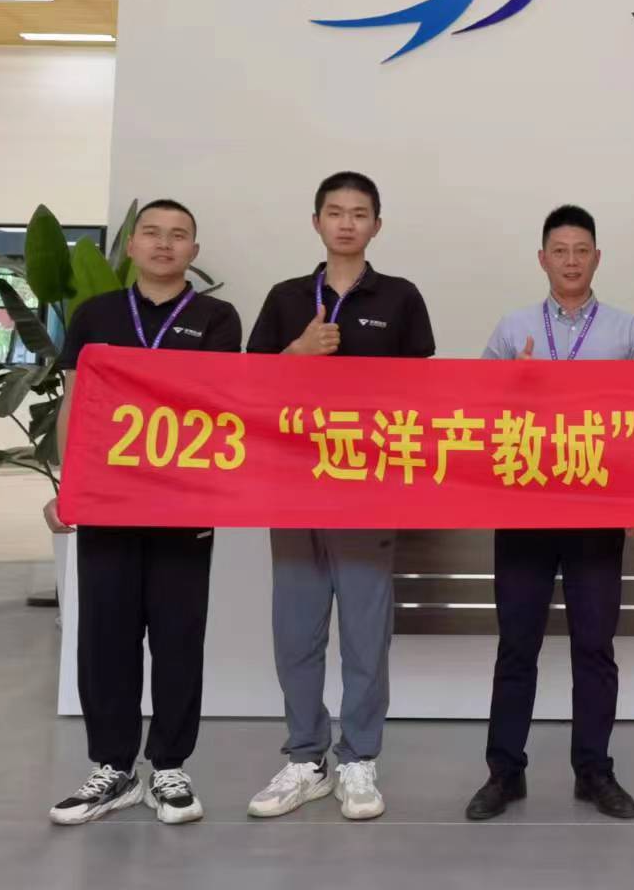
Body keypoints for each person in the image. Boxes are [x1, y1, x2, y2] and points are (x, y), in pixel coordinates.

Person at [244, 171, 436, 822]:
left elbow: (424, 395)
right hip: (294, 487)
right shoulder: (285, 297)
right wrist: (297, 352)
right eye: (335, 212)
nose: (347, 223)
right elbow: (245, 388)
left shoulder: (401, 297)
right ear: (317, 222)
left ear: (376, 225)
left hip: (367, 490)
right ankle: (306, 758)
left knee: (364, 634)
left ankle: (358, 759)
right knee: (296, 632)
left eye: (359, 213)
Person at [46, 199, 243, 826]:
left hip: (184, 502)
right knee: (106, 635)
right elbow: (75, 402)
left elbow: (218, 406)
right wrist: (71, 487)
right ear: (131, 245)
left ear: (193, 251)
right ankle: (113, 767)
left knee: (179, 636)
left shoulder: (216, 318)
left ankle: (170, 766)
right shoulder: (95, 314)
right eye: (152, 233)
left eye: (179, 235)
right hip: (108, 501)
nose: (164, 243)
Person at [464, 205, 634, 822]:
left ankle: (594, 771)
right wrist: (510, 385)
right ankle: (504, 772)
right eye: (560, 251)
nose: (571, 261)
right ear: (542, 259)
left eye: (582, 250)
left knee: (594, 646)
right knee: (517, 644)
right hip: (525, 508)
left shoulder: (626, 330)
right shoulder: (512, 327)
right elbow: (475, 413)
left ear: (597, 258)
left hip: (598, 510)